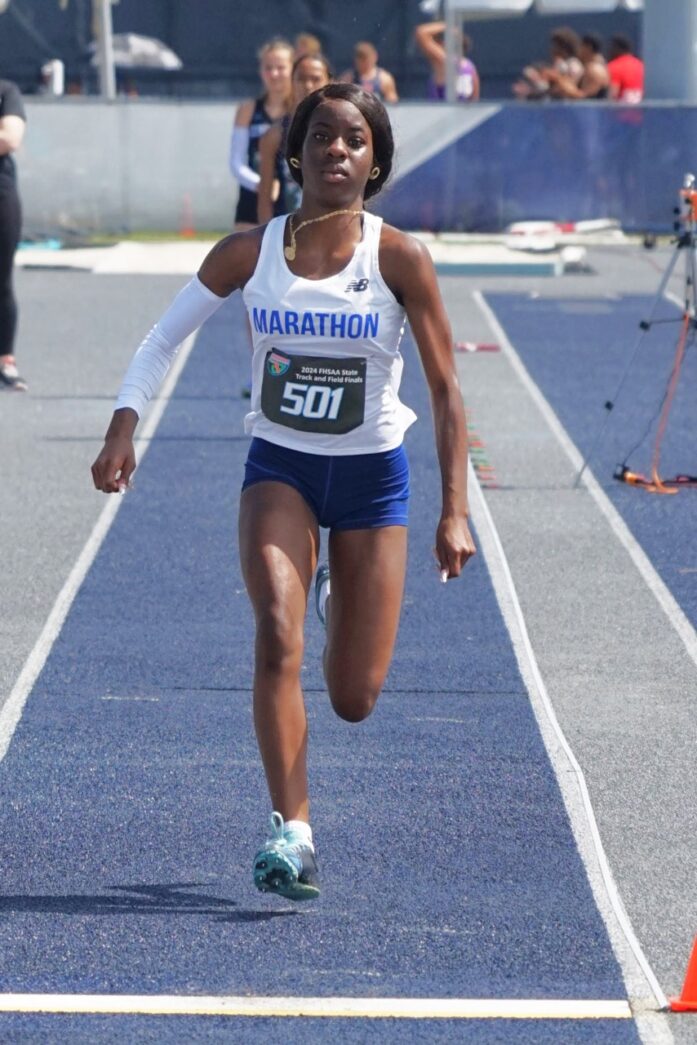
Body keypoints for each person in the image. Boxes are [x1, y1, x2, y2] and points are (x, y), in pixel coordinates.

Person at [91, 82, 476, 902]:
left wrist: (454, 510)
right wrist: (124, 423)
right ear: (295, 152)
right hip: (281, 470)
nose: (338, 150)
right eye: (324, 137)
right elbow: (162, 338)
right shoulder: (248, 252)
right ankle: (292, 829)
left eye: (356, 140)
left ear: (374, 163)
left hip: (373, 480)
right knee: (274, 631)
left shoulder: (399, 257)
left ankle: (334, 588)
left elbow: (446, 391)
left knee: (353, 698)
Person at [257, 52, 332, 226]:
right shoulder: (275, 135)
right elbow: (265, 196)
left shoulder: (341, 131)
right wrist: (266, 236)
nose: (308, 85)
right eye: (301, 79)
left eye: (315, 79)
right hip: (290, 231)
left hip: (332, 227)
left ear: (329, 81)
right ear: (292, 82)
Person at [229, 38, 294, 232]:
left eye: (281, 67)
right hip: (252, 196)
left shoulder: (299, 111)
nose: (274, 74)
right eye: (268, 67)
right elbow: (236, 163)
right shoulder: (248, 110)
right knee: (246, 256)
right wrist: (262, 185)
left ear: (292, 69)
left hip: (291, 200)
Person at [0, 76, 27, 392]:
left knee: (1, 279)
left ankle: (5, 359)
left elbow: (10, 138)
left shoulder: (7, 91)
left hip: (2, 195)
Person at [414, 20, 479, 102]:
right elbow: (474, 99)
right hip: (462, 112)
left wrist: (448, 26)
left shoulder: (444, 60)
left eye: (438, 41)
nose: (436, 44)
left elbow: (421, 32)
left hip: (441, 112)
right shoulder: (470, 66)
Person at [513, 27, 583, 101]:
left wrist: (550, 78)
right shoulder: (560, 64)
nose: (551, 48)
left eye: (555, 45)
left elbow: (569, 89)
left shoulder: (574, 65)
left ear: (563, 47)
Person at [545, 33, 610, 100]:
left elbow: (584, 97)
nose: (578, 50)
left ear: (588, 47)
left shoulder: (595, 70)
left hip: (592, 110)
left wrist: (558, 80)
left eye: (581, 46)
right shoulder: (589, 67)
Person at [607, 35, 644, 104]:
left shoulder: (614, 66)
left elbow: (612, 95)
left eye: (611, 48)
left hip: (621, 112)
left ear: (616, 48)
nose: (609, 51)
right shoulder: (640, 65)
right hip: (640, 111)